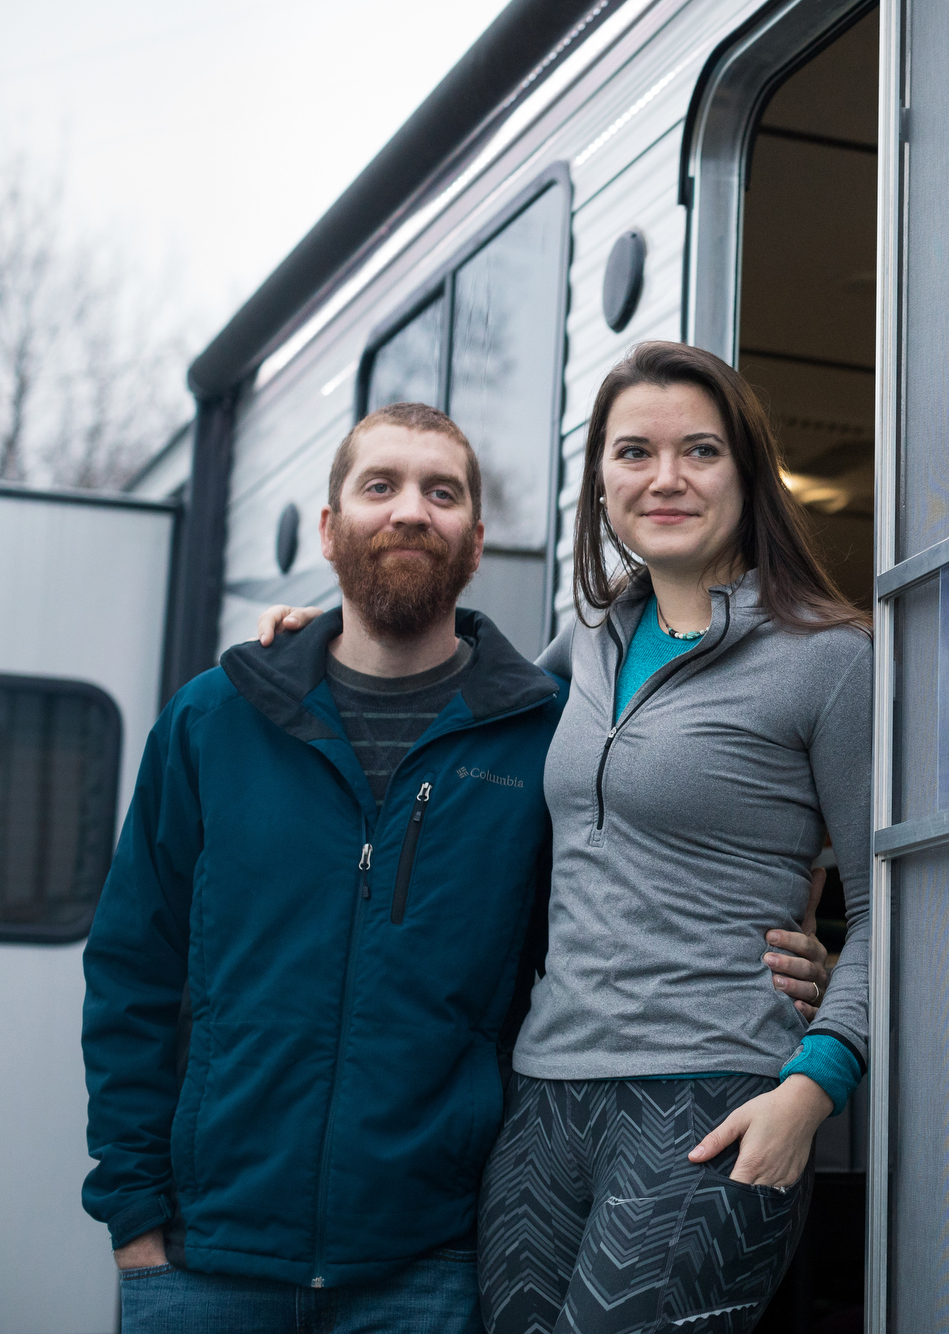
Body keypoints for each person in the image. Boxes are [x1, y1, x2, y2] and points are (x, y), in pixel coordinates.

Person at [82, 400, 829, 1333]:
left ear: (475, 545)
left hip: (428, 1267)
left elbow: (647, 870)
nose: (408, 512)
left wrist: (805, 948)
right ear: (329, 527)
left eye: (441, 494)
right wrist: (133, 1212)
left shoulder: (542, 732)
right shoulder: (215, 721)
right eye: (379, 486)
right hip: (204, 1259)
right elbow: (130, 971)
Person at [256, 342, 874, 1332]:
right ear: (598, 484)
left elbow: (896, 908)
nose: (664, 478)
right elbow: (443, 704)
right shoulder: (583, 639)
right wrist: (327, 642)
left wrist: (813, 1085)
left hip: (712, 1089)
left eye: (699, 451)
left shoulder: (827, 660)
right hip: (544, 1097)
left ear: (748, 475)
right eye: (633, 452)